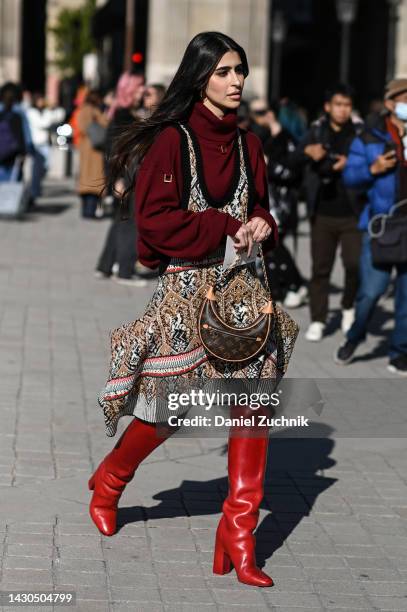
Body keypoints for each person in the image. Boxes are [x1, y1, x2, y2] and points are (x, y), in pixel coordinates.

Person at [89, 32, 298, 587]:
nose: (237, 82)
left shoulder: (251, 144)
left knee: (254, 408)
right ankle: (112, 478)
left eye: (241, 72)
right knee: (170, 409)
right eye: (226, 72)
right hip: (187, 294)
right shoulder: (171, 142)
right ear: (201, 77)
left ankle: (239, 532)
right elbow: (155, 221)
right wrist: (226, 225)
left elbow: (263, 213)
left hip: (246, 294)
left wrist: (262, 226)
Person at [335, 79, 407, 375]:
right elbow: (351, 177)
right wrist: (372, 169)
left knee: (406, 297)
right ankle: (355, 335)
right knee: (372, 291)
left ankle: (399, 351)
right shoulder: (369, 136)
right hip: (381, 226)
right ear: (391, 103)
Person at [296, 84, 364, 342]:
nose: (342, 110)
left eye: (347, 105)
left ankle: (348, 306)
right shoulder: (315, 131)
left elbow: (371, 162)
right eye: (338, 104)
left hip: (352, 212)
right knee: (320, 269)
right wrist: (307, 152)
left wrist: (352, 163)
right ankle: (318, 319)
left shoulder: (359, 133)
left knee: (354, 265)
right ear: (328, 107)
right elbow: (293, 161)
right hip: (322, 212)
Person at [251, 98, 307, 307]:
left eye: (263, 111)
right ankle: (278, 287)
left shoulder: (285, 137)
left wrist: (269, 162)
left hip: (280, 204)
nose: (258, 117)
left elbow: (292, 171)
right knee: (266, 247)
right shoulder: (256, 135)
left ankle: (295, 285)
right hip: (261, 201)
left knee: (272, 245)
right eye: (255, 112)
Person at [95, 72, 148, 286]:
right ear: (129, 90)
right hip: (125, 177)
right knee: (130, 222)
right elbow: (115, 151)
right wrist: (118, 179)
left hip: (123, 175)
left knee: (120, 220)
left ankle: (105, 266)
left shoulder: (122, 113)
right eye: (139, 87)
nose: (142, 91)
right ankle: (124, 271)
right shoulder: (124, 116)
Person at [26, 93, 65, 206]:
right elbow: (44, 123)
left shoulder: (46, 111)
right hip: (37, 144)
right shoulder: (32, 112)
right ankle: (34, 190)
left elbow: (59, 116)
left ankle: (36, 187)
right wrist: (50, 114)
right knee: (36, 169)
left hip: (46, 143)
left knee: (46, 166)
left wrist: (54, 108)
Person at [77, 90, 109, 218]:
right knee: (94, 183)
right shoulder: (94, 111)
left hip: (85, 147)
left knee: (85, 182)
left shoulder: (82, 110)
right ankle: (90, 212)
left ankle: (85, 211)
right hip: (95, 149)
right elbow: (105, 124)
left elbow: (81, 126)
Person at [0, 82, 27, 182]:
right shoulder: (18, 114)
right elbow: (23, 135)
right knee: (11, 186)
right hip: (13, 156)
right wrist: (24, 152)